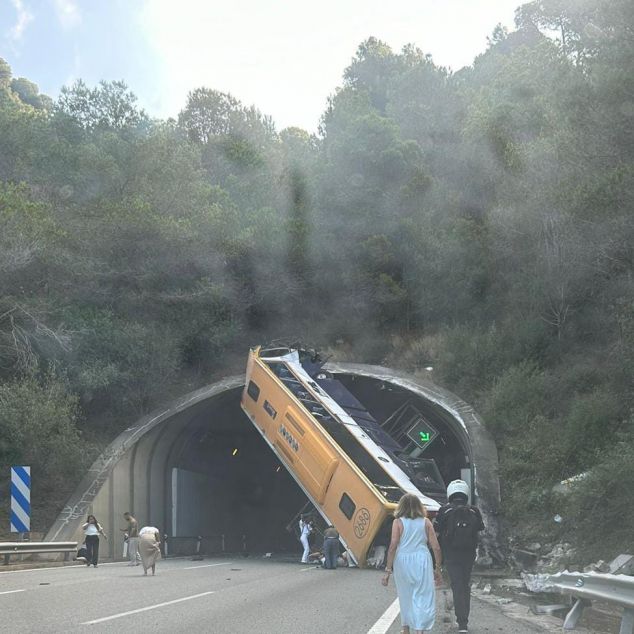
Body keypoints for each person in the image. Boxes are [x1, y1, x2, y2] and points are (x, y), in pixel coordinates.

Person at [381, 494, 442, 634]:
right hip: (422, 559)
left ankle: (405, 629)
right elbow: (436, 547)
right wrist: (437, 568)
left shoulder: (397, 522)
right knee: (423, 595)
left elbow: (393, 545)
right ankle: (419, 630)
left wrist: (388, 570)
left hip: (402, 560)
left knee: (405, 595)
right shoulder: (426, 522)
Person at [433, 479, 485, 634]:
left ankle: (461, 623)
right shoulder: (474, 510)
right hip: (468, 554)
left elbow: (437, 530)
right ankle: (464, 621)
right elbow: (480, 528)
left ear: (450, 493)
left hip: (451, 554)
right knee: (465, 583)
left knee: (456, 584)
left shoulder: (444, 510)